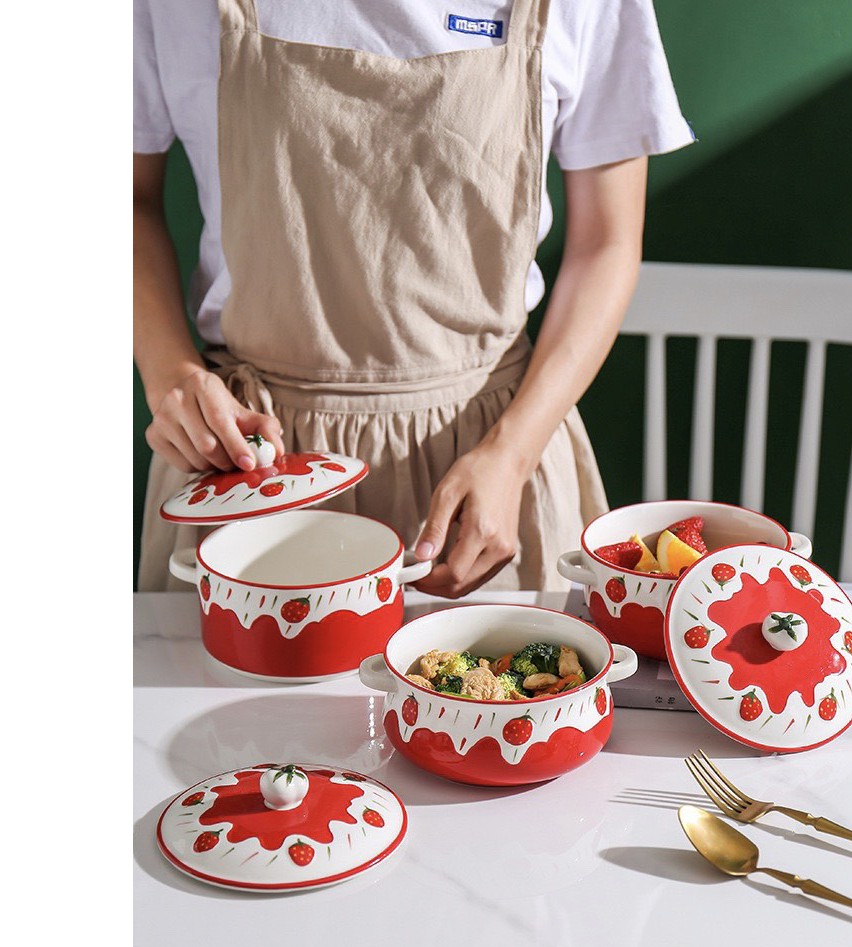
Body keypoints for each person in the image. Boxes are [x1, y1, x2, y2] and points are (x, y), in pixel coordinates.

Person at [134, 0, 696, 596]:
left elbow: (606, 243)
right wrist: (170, 376)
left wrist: (512, 453)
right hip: (246, 464)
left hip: (492, 461)